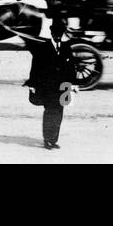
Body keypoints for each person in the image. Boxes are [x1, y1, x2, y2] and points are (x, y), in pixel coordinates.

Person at [24, 20, 75, 150]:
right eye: (56, 34)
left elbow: (71, 68)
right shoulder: (42, 48)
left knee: (59, 114)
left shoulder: (66, 47)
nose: (58, 37)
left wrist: (73, 84)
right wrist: (32, 84)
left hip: (63, 87)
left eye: (60, 34)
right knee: (49, 113)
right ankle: (47, 140)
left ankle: (54, 140)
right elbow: (35, 67)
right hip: (48, 87)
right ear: (51, 33)